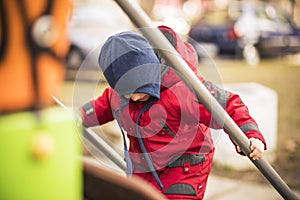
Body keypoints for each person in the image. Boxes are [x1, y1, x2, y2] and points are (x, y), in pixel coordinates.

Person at [80, 26, 266, 199]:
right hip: (145, 165)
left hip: (184, 168)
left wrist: (250, 134)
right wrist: (79, 116)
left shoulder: (183, 89)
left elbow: (227, 105)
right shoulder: (123, 94)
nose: (134, 99)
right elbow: (103, 105)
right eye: (127, 94)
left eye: (138, 91)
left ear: (149, 73)